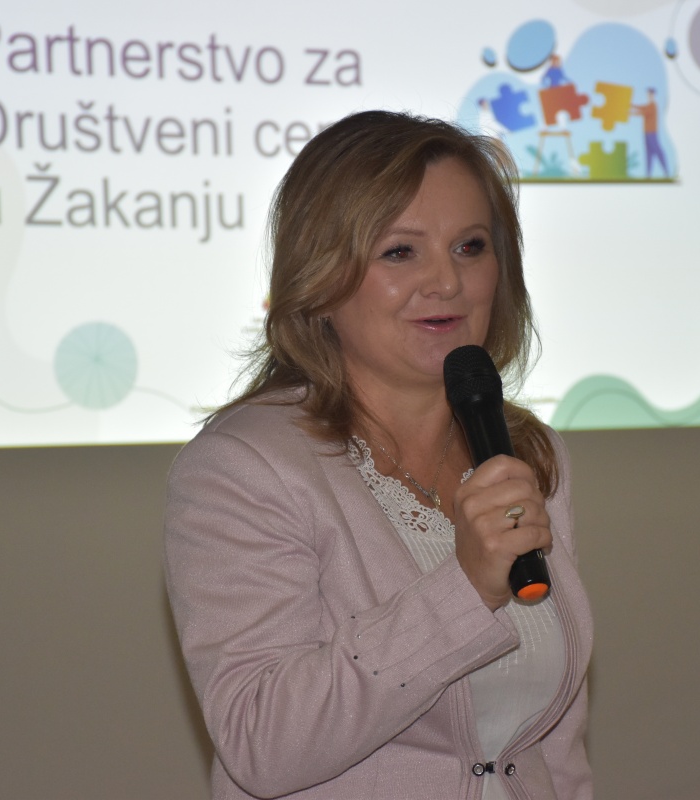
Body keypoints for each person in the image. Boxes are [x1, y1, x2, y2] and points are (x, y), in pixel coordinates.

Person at [164, 110, 593, 800]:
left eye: (471, 246)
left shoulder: (530, 454)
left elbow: (555, 742)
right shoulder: (243, 469)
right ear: (321, 277)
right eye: (400, 252)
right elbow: (262, 742)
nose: (447, 282)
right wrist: (466, 589)